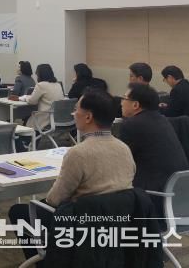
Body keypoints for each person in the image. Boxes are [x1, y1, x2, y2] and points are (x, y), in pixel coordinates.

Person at [9, 88, 135, 263]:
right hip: (118, 222)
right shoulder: (124, 148)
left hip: (81, 224)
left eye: (76, 109)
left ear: (88, 117)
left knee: (19, 211)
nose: (73, 114)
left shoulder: (78, 153)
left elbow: (54, 200)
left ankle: (46, 261)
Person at [120, 83, 188, 192]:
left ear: (135, 105)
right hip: (176, 189)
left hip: (153, 191)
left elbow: (122, 161)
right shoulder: (163, 120)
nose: (121, 103)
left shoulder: (131, 124)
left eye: (124, 98)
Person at [18, 64, 64, 130]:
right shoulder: (58, 84)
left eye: (37, 74)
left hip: (46, 118)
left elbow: (32, 101)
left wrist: (25, 97)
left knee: (27, 120)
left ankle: (31, 136)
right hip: (58, 118)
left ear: (40, 74)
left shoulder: (41, 85)